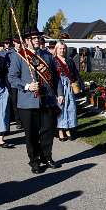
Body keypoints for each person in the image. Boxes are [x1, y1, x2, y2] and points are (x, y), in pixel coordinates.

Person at [8, 29, 64, 174]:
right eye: (33, 38)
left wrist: (60, 93)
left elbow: (56, 78)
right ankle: (34, 161)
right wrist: (27, 86)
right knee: (31, 134)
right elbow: (12, 78)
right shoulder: (19, 56)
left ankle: (47, 157)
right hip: (28, 103)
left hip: (48, 101)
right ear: (26, 40)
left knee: (48, 131)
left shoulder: (47, 55)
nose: (37, 40)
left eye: (38, 37)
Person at [54, 40, 80, 141]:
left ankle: (68, 128)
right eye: (60, 48)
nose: (62, 50)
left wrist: (77, 84)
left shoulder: (69, 60)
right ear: (56, 49)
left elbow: (75, 73)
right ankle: (60, 130)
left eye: (64, 48)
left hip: (69, 86)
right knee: (61, 108)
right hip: (59, 87)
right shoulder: (53, 60)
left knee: (70, 107)